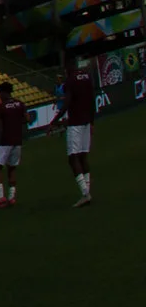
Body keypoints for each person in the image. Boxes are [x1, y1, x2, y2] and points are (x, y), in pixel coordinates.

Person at [60, 57, 95, 207]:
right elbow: (92, 99)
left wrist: (55, 120)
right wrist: (92, 121)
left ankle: (85, 193)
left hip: (75, 123)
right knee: (83, 156)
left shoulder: (70, 81)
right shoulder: (86, 76)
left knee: (73, 158)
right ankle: (87, 191)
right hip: (86, 121)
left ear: (68, 66)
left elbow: (67, 102)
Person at [0, 81, 27, 210]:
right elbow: (27, 118)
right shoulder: (20, 104)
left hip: (6, 140)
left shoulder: (1, 107)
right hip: (17, 140)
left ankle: (0, 197)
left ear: (4, 93)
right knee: (12, 168)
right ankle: (11, 198)